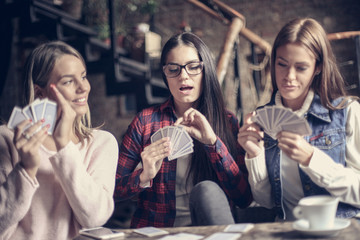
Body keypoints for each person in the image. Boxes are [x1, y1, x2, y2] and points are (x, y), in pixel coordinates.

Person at [114, 32, 252, 228]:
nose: (183, 76)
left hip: (208, 231)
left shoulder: (227, 121)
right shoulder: (144, 122)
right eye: (173, 69)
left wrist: (213, 143)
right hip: (158, 232)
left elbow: (243, 198)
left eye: (193, 67)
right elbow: (113, 191)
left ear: (206, 71)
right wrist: (143, 176)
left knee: (207, 190)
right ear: (165, 75)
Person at [238, 18, 360, 221]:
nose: (289, 76)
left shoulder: (347, 112)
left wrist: (312, 159)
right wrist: (255, 155)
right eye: (282, 64)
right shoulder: (261, 118)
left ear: (318, 67)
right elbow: (267, 202)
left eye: (301, 67)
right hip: (287, 229)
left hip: (340, 228)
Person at [0, 41, 119, 239]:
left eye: (83, 76)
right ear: (40, 93)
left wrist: (64, 145)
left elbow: (95, 218)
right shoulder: (6, 140)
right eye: (68, 81)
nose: (83, 87)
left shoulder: (102, 143)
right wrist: (26, 169)